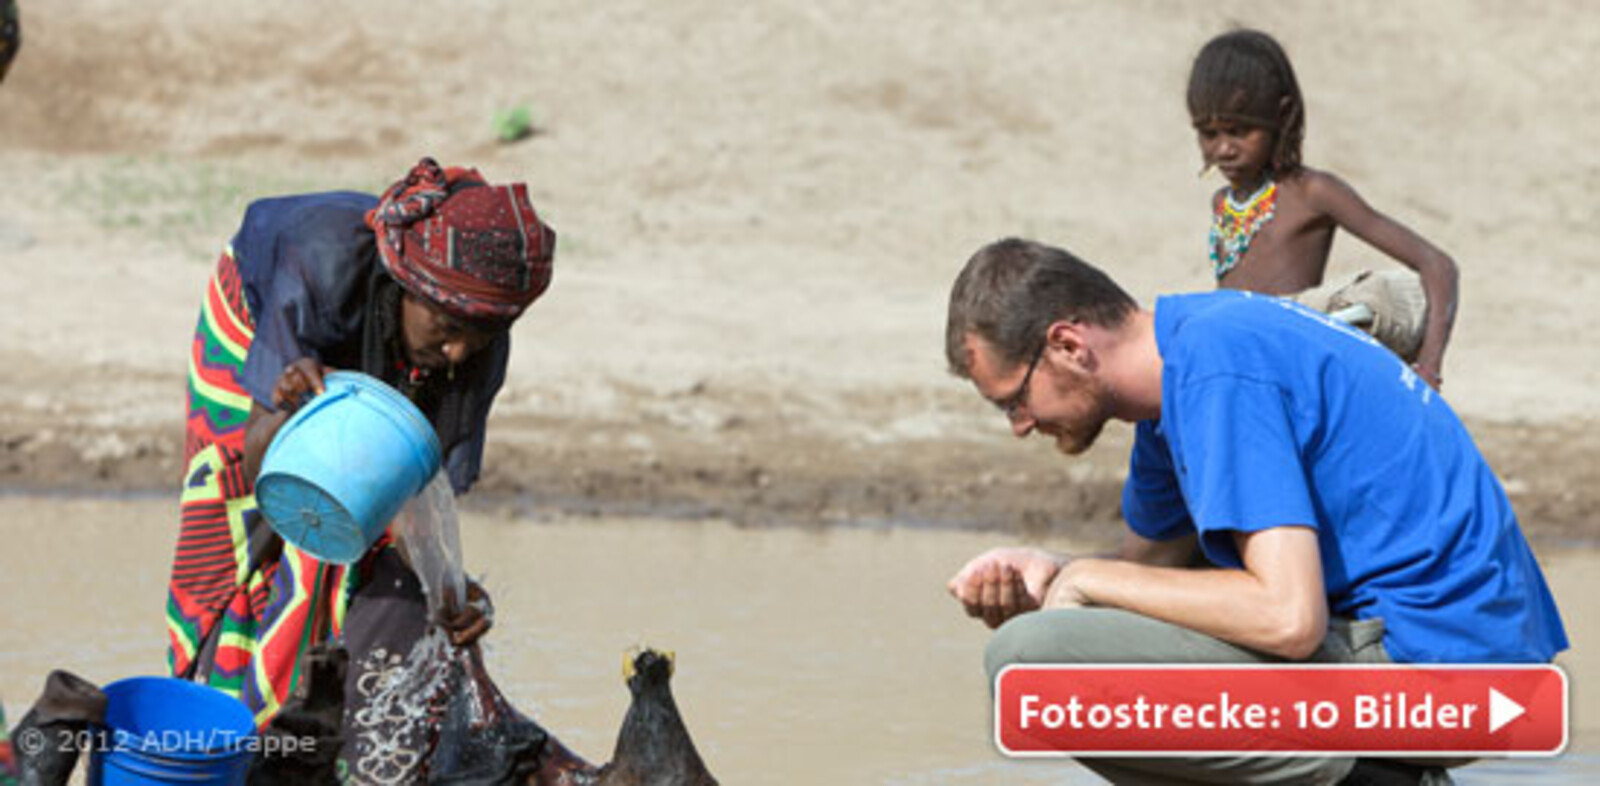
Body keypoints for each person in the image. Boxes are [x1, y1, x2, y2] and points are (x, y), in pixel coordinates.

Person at [943, 238, 1566, 785]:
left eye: (1014, 401)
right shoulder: (1178, 373)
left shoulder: (1217, 372)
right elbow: (1143, 578)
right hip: (1430, 652)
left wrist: (1082, 580)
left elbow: (1287, 618)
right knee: (1066, 643)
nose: (1020, 428)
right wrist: (1052, 572)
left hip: (1451, 675)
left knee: (1029, 661)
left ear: (1069, 345)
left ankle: (1376, 782)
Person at [165, 157, 560, 775]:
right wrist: (292, 409)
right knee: (250, 518)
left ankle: (319, 707)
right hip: (257, 322)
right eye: (448, 327)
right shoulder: (315, 262)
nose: (458, 351)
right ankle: (228, 717)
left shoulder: (475, 335)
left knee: (368, 529)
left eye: (480, 335)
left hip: (350, 339)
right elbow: (260, 461)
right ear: (407, 287)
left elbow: (421, 493)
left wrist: (451, 591)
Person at [1188, 29, 1458, 390]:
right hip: (1240, 373)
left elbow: (1438, 265)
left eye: (1239, 131)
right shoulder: (1223, 203)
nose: (1223, 149)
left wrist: (1429, 368)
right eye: (1209, 134)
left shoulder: (1312, 192)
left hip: (1293, 373)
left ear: (1281, 115)